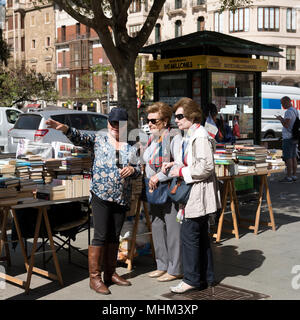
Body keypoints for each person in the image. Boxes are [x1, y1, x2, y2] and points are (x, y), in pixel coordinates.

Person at [46, 107, 141, 295]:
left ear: (125, 125)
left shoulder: (131, 146)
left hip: (121, 197)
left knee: (114, 235)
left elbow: (139, 168)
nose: (115, 126)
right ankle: (94, 277)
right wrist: (64, 128)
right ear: (108, 123)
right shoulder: (99, 139)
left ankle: (111, 273)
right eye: (112, 123)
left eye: (119, 124)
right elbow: (79, 137)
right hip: (101, 195)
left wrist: (133, 170)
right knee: (100, 235)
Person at [163, 97, 220, 294]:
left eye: (180, 116)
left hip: (197, 196)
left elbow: (205, 167)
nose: (176, 120)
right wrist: (175, 165)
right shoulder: (192, 134)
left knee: (189, 238)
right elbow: (193, 163)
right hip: (196, 194)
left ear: (191, 115)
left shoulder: (199, 135)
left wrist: (180, 172)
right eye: (175, 117)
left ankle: (191, 279)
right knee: (201, 238)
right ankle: (206, 277)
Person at [143, 102, 183, 282]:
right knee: (157, 226)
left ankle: (175, 268)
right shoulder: (152, 137)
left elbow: (177, 163)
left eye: (154, 120)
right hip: (152, 187)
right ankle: (162, 265)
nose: (149, 124)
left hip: (167, 186)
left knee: (172, 228)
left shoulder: (174, 137)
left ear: (165, 121)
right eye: (148, 120)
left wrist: (158, 176)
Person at [276, 96, 298, 182]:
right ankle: (294, 175)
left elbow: (286, 125)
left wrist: (280, 119)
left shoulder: (288, 112)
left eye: (282, 103)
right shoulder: (295, 110)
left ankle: (288, 176)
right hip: (294, 136)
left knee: (288, 157)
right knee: (293, 157)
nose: (282, 105)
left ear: (287, 102)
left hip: (288, 137)